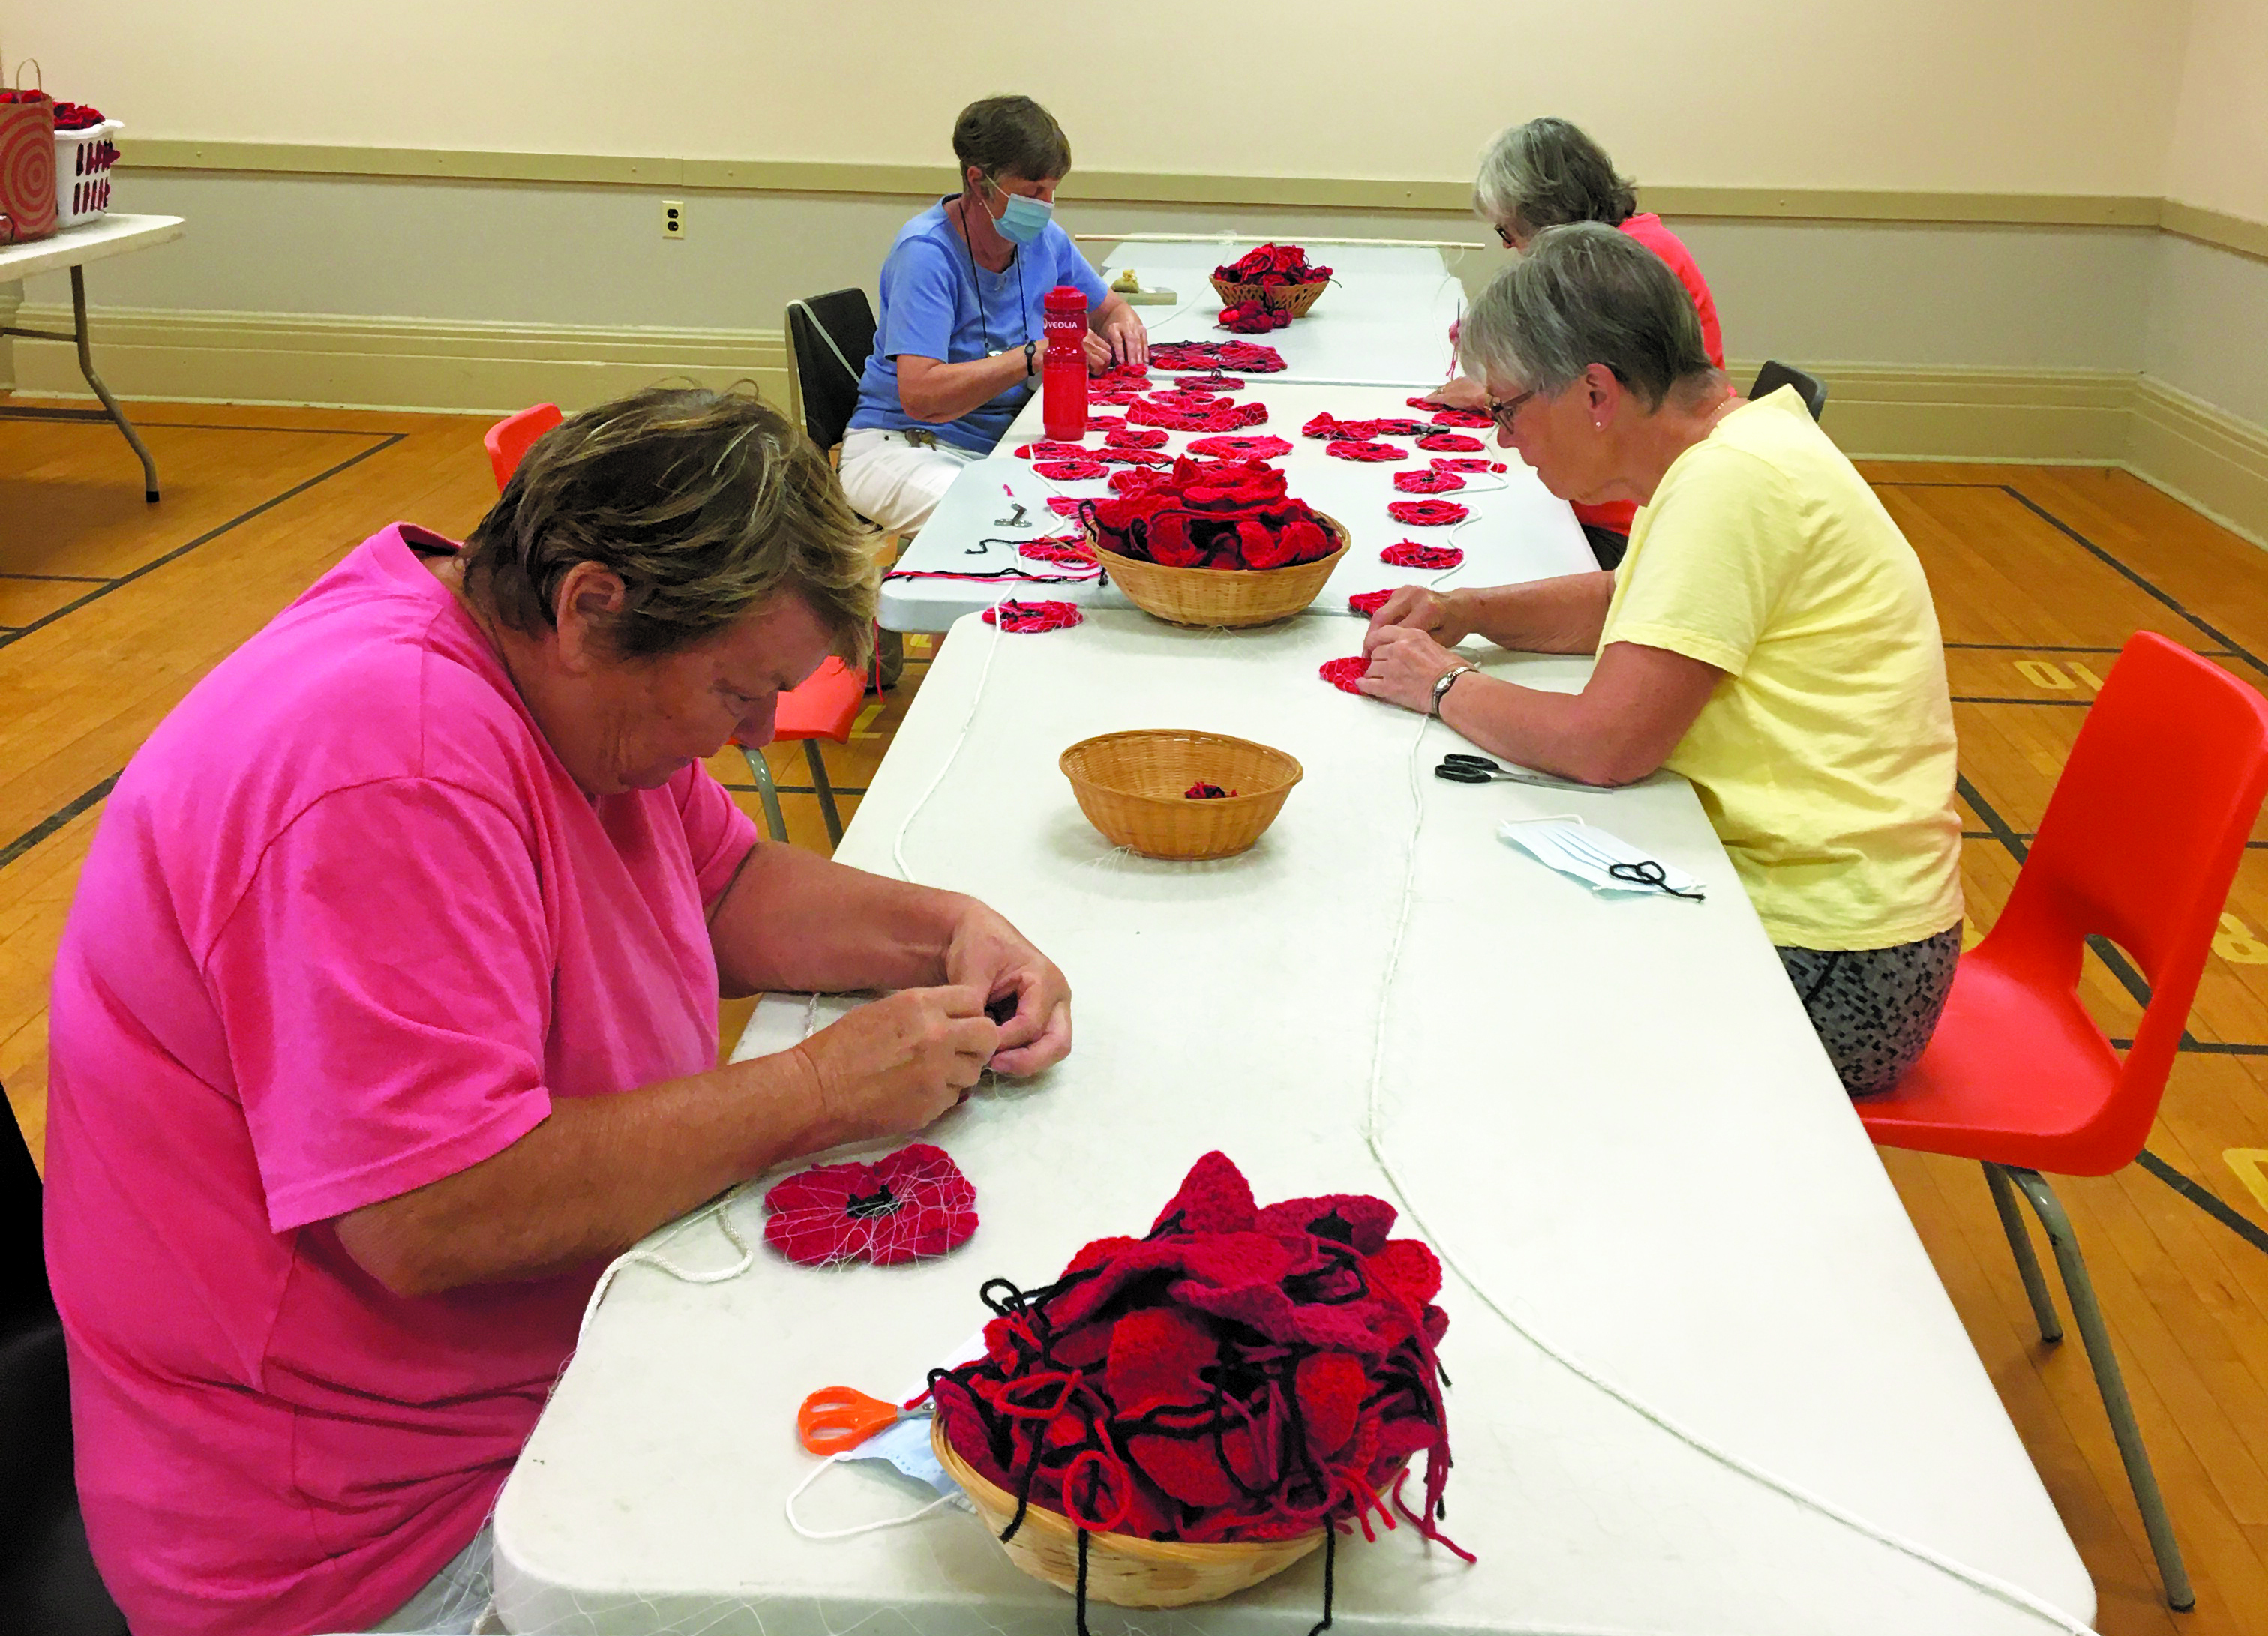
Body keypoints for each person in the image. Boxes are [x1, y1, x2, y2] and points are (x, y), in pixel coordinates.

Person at [43, 386, 1075, 1636]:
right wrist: (817, 1089)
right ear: (593, 605)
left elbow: (725, 882)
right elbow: (432, 1213)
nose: (755, 735)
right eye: (737, 690)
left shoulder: (544, 677)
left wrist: (951, 927)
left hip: (502, 1391)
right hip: (363, 1540)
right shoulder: (386, 767)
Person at [1362, 225, 1960, 1098]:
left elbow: (1607, 744)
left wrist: (1443, 684)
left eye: (1509, 411)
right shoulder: (1736, 446)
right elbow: (1630, 603)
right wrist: (1469, 613)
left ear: (1596, 392)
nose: (1503, 440)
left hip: (1836, 960)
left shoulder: (1732, 484)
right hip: (1846, 929)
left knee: (1474, 987)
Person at [839, 94, 1149, 535]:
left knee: (1103, 503)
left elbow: (1110, 309)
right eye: (1031, 192)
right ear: (978, 180)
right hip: (905, 448)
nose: (1045, 205)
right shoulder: (926, 256)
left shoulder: (1043, 240)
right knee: (1016, 524)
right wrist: (1030, 356)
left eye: (1051, 190)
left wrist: (1123, 326)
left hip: (999, 442)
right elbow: (921, 396)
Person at [1431, 116, 1724, 568]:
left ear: (1546, 217)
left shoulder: (1623, 263)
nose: (1510, 247)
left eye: (1509, 231)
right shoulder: (1624, 247)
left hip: (1625, 515)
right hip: (1632, 494)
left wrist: (1497, 395)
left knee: (1486, 550)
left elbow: (1579, 395)